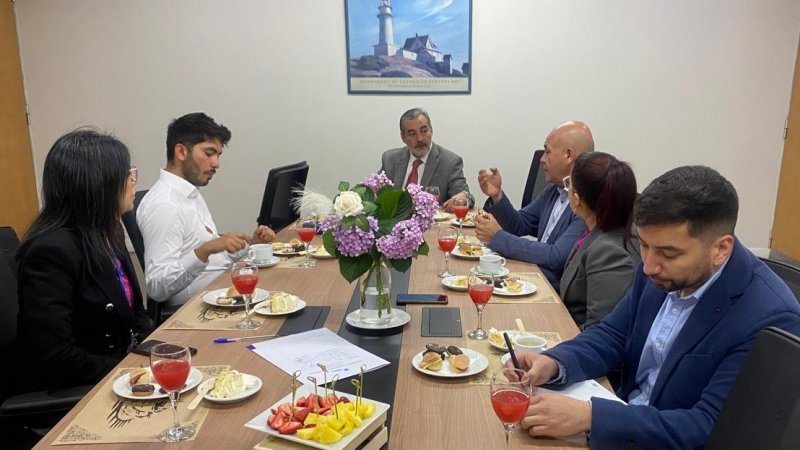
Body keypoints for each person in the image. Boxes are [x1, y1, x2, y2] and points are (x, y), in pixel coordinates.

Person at [510, 166, 800, 449]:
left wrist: (591, 417)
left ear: (721, 249)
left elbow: (709, 426)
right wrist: (555, 363)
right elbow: (613, 334)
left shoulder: (768, 317)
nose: (648, 266)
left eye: (668, 253)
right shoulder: (662, 272)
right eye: (645, 245)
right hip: (622, 418)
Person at [13, 129, 153, 393]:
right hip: (79, 390)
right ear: (98, 184)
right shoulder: (50, 252)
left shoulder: (109, 231)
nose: (134, 182)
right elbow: (57, 356)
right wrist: (126, 372)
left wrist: (158, 352)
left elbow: (137, 314)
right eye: (127, 175)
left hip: (121, 373)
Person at [137, 112, 275, 308]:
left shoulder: (190, 193)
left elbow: (216, 261)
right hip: (195, 310)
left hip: (223, 291)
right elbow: (157, 288)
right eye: (209, 154)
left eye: (218, 155)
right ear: (181, 152)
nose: (216, 164)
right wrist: (204, 251)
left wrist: (251, 244)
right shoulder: (165, 205)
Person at [475, 121, 593, 289]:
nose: (542, 159)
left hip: (550, 291)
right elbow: (520, 224)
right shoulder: (554, 189)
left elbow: (556, 256)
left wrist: (497, 237)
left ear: (568, 155)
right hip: (529, 276)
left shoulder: (586, 202)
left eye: (547, 152)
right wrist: (497, 196)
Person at [560, 152, 640, 329]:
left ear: (577, 199)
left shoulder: (610, 251)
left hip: (578, 345)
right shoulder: (597, 229)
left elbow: (599, 330)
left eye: (569, 184)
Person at [380, 108, 474, 210]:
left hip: (433, 224)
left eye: (424, 131)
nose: (420, 138)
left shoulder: (450, 162)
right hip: (395, 224)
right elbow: (376, 194)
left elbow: (465, 196)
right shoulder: (390, 159)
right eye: (412, 134)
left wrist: (464, 196)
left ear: (431, 130)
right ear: (403, 137)